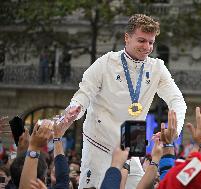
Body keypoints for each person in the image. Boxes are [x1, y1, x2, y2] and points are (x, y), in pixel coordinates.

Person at [61, 14, 187, 189]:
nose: (147, 47)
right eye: (141, 41)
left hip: (132, 140)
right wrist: (75, 108)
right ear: (127, 38)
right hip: (100, 140)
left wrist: (176, 128)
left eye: (151, 42)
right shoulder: (106, 62)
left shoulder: (157, 67)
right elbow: (84, 92)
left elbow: (177, 100)